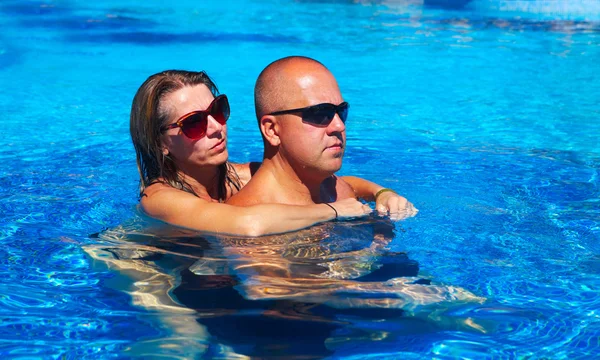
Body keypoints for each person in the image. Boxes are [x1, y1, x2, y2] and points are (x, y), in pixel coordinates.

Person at [130, 70, 415, 236]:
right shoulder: (159, 198)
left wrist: (381, 193)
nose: (217, 127)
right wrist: (332, 211)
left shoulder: (236, 175)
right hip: (161, 267)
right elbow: (248, 224)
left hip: (215, 266)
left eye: (217, 111)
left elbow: (346, 183)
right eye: (194, 123)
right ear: (161, 144)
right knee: (185, 331)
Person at [228, 56, 416, 221]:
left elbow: (348, 183)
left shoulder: (335, 190)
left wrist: (382, 194)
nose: (339, 126)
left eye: (340, 112)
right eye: (319, 114)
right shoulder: (251, 226)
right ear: (272, 130)